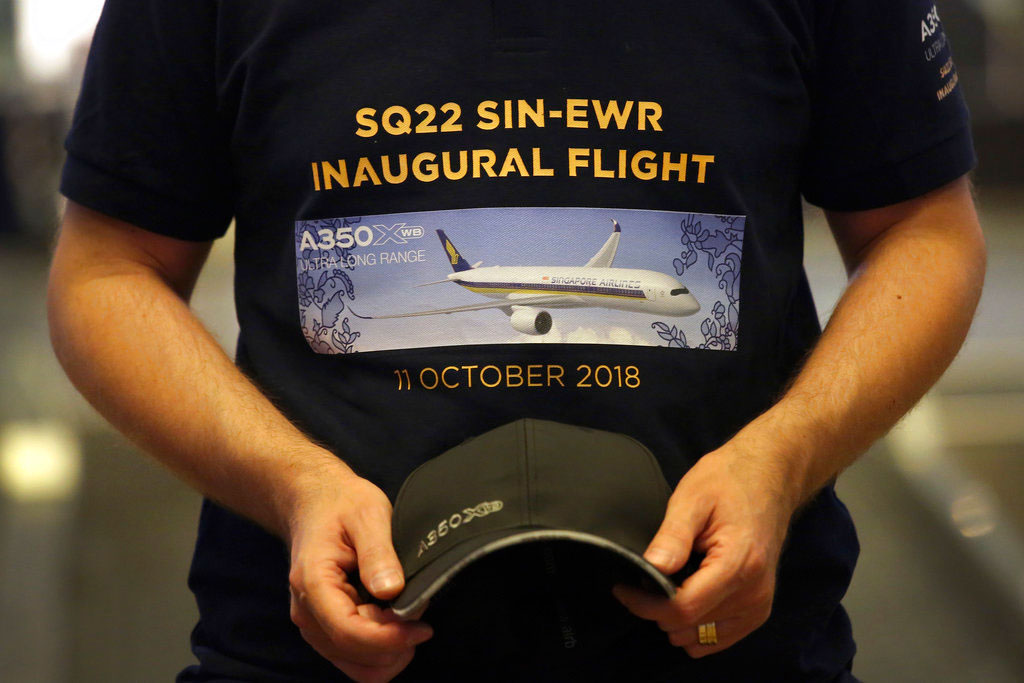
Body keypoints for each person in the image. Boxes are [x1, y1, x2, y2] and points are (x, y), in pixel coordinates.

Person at [47, 0, 984, 680]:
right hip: (329, 640)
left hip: (724, 633)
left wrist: (783, 457)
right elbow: (106, 270)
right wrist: (290, 483)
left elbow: (927, 233)